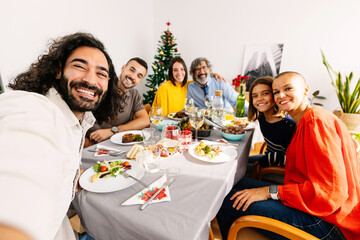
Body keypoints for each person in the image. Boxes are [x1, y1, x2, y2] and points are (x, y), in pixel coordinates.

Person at [0, 32, 123, 240]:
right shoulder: (34, 108)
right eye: (79, 66)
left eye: (101, 74)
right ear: (58, 71)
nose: (91, 79)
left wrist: (71, 174)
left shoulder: (77, 121)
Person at [217, 71, 359, 239]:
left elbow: (330, 193)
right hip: (308, 204)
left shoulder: (316, 122)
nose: (280, 95)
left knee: (226, 201)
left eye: (288, 88)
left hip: (330, 223)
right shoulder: (304, 122)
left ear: (305, 90)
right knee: (225, 187)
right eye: (276, 91)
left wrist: (269, 191)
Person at [86, 57, 150, 144]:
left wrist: (113, 131)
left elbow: (145, 121)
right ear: (123, 68)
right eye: (132, 70)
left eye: (139, 76)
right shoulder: (104, 86)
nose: (133, 77)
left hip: (119, 143)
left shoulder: (134, 94)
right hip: (95, 143)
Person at [246, 76, 295, 176]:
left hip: (283, 171)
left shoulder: (287, 125)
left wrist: (261, 162)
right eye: (255, 96)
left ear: (275, 95)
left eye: (265, 93)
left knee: (239, 172)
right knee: (240, 162)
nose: (259, 99)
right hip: (270, 158)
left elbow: (292, 159)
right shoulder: (262, 118)